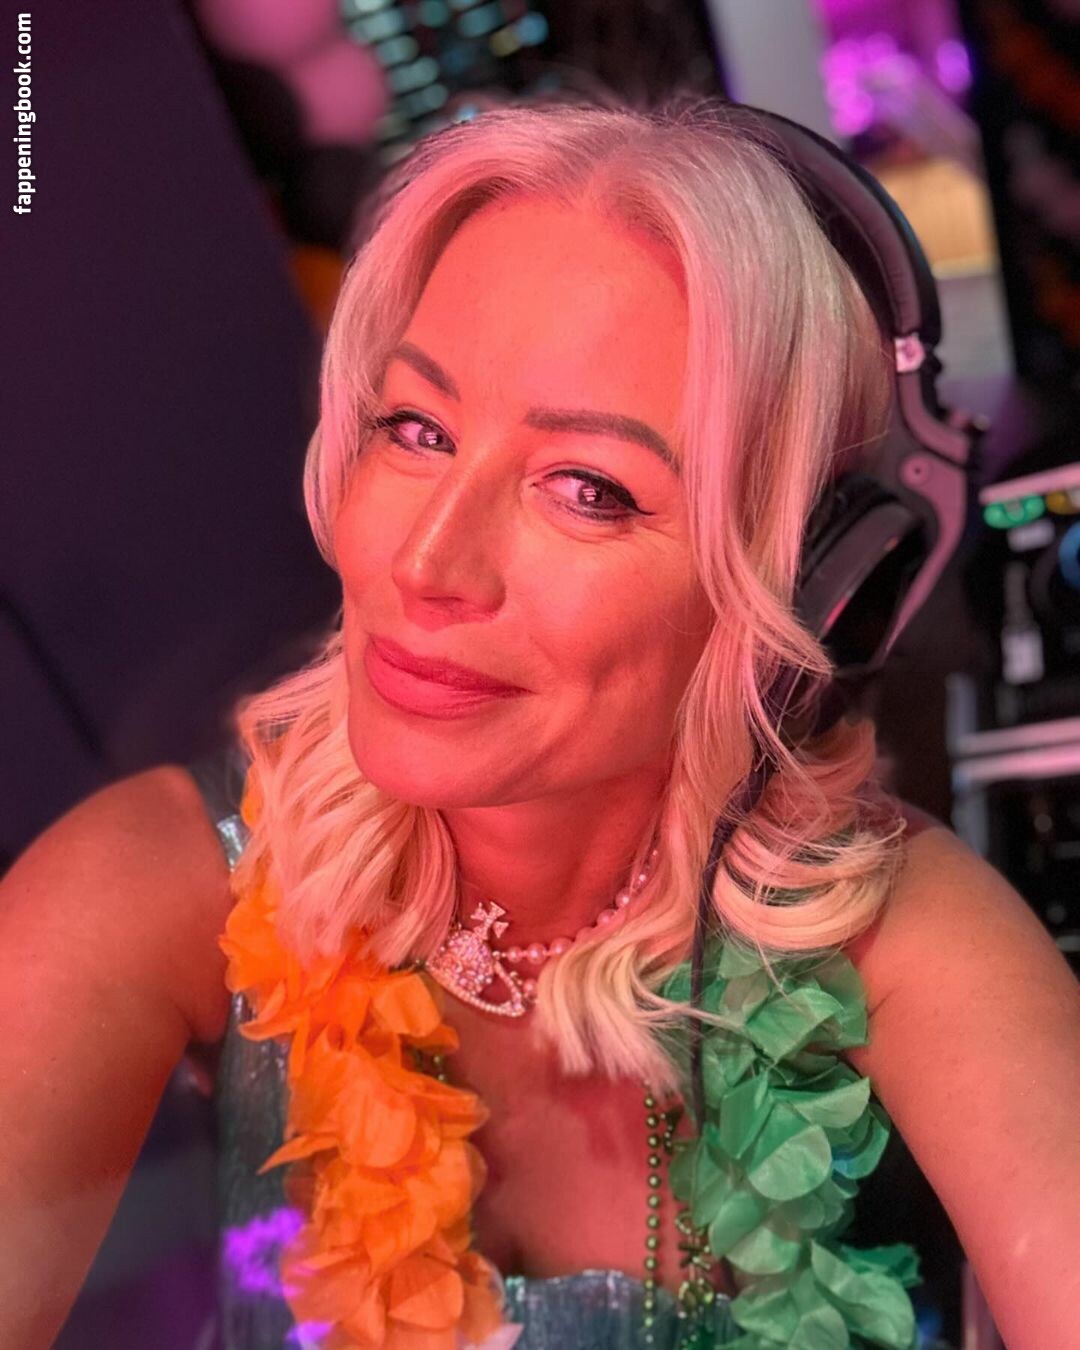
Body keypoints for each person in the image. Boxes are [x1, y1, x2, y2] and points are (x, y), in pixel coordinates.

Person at [2, 95, 1078, 1350]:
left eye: (591, 489)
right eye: (416, 429)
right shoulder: (149, 881)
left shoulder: (902, 935)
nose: (426, 563)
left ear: (808, 587)